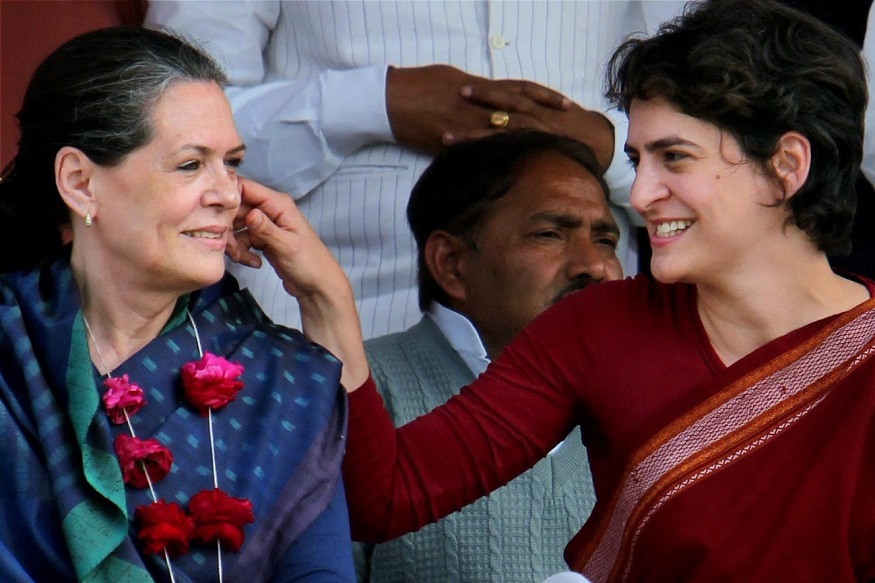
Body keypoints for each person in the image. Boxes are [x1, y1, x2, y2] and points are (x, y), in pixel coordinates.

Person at [243, 0, 872, 580]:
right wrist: (326, 298)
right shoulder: (600, 327)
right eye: (638, 160)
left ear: (787, 166)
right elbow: (385, 497)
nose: (643, 194)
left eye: (674, 158)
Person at [0, 26, 358, 582]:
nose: (226, 193)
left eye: (231, 162)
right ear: (80, 183)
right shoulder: (8, 352)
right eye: (191, 165)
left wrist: (325, 295)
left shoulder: (283, 381)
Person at [144, 0, 684, 338]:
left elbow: (714, 126)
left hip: (596, 340)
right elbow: (160, 120)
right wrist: (375, 103)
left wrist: (609, 147)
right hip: (323, 337)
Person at [357, 131, 622, 582]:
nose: (593, 265)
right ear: (452, 263)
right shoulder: (358, 395)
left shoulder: (647, 403)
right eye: (550, 234)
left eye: (605, 240)